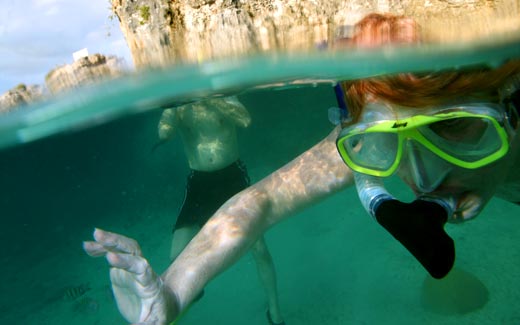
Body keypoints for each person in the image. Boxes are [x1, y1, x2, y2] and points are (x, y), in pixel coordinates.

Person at [84, 13, 520, 324]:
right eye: (391, 141)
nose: (426, 180)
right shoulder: (372, 131)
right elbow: (264, 201)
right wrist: (174, 291)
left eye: (459, 127)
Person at [155, 97, 285, 325]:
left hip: (232, 177)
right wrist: (174, 106)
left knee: (259, 249)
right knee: (176, 257)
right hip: (199, 183)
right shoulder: (179, 104)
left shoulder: (220, 95)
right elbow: (163, 134)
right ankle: (187, 296)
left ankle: (274, 313)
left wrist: (210, 97)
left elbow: (245, 120)